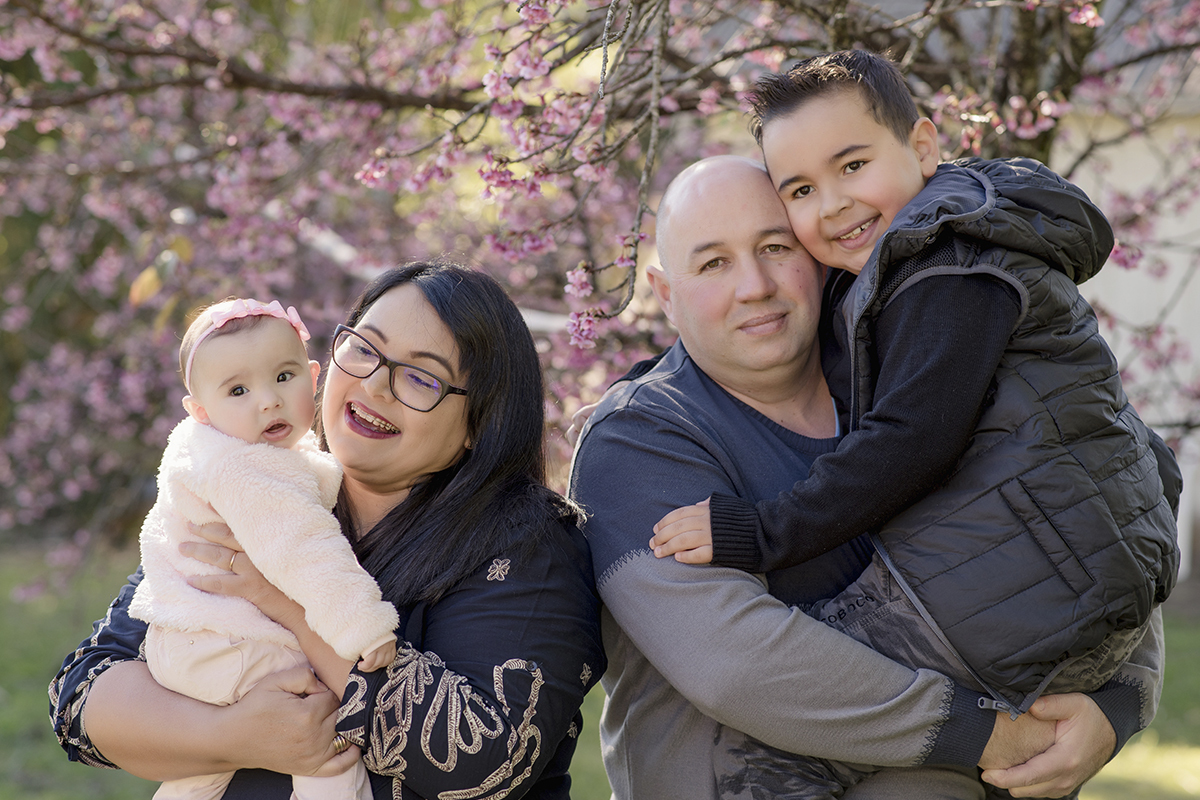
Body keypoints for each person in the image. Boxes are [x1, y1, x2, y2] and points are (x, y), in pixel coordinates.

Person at [646, 51, 1179, 798]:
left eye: (852, 165)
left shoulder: (948, 269)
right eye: (801, 190)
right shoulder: (935, 259)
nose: (833, 204)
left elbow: (911, 441)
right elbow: (1136, 452)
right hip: (1065, 578)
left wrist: (759, 532)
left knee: (766, 753)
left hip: (994, 590)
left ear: (924, 147)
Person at [50, 262, 606, 800]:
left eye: (420, 377)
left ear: (480, 422)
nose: (375, 385)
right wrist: (233, 735)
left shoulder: (529, 544)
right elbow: (82, 695)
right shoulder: (258, 484)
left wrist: (289, 606)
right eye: (364, 349)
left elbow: (481, 763)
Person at [131, 297, 399, 800]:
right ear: (201, 410)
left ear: (313, 376)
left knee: (202, 774)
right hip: (229, 643)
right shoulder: (251, 471)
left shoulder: (206, 448)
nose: (269, 401)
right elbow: (306, 550)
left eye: (283, 376)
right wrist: (362, 626)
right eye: (239, 390)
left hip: (185, 641)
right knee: (323, 734)